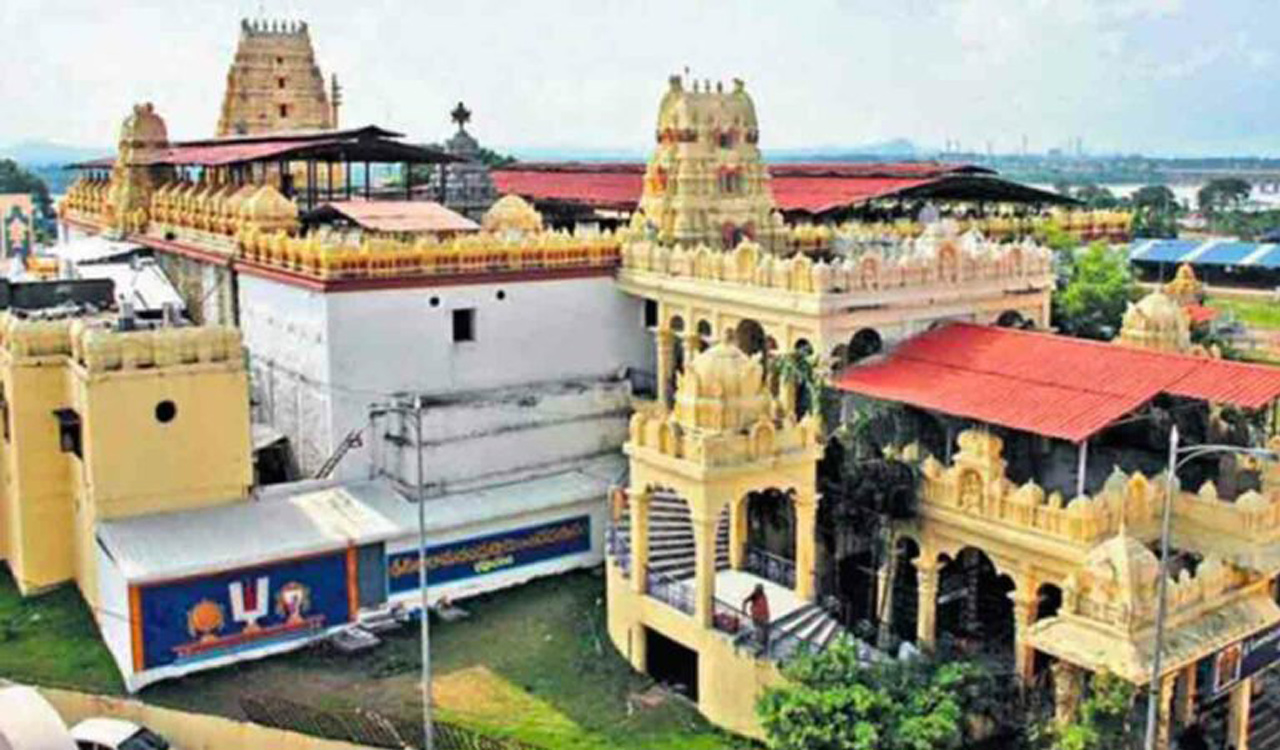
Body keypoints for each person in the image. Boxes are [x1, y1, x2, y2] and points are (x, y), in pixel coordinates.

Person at [743, 584, 771, 651]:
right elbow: (745, 601)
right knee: (759, 629)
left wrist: (767, 616)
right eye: (759, 590)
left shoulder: (763, 595)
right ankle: (759, 642)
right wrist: (743, 611)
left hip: (764, 616)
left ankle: (763, 643)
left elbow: (765, 606)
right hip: (757, 616)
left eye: (761, 590)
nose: (761, 591)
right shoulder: (754, 595)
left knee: (764, 630)